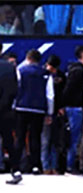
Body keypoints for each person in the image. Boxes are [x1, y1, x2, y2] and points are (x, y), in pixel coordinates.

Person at [7, 49, 54, 184]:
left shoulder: (20, 71)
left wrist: (13, 106)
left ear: (28, 58)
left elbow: (16, 88)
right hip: (38, 109)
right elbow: (50, 95)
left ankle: (16, 166)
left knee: (20, 138)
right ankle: (35, 166)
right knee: (35, 137)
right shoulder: (46, 74)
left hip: (22, 107)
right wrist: (49, 112)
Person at [63, 46, 83, 173]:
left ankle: (71, 163)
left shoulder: (74, 70)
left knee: (74, 137)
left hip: (73, 107)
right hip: (75, 108)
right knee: (75, 138)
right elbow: (69, 90)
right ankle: (70, 165)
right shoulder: (79, 71)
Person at [41, 55, 66, 175]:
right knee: (45, 140)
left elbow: (62, 93)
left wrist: (61, 107)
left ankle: (55, 166)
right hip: (45, 111)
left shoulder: (61, 76)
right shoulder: (43, 75)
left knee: (56, 141)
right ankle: (45, 166)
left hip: (57, 112)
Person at [0, 42, 18, 178]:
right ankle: (15, 170)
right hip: (5, 110)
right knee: (8, 140)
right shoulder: (9, 67)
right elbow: (14, 89)